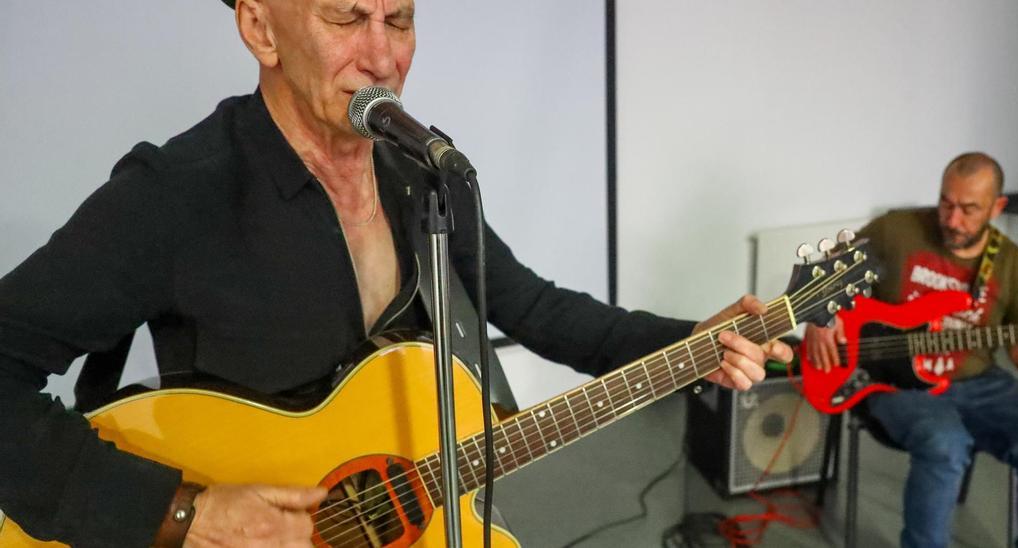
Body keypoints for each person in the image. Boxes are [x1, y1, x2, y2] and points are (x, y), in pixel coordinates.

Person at [0, 0, 792, 545]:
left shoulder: (418, 175)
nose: (382, 57)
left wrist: (691, 339)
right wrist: (179, 516)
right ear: (259, 27)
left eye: (400, 18)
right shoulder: (177, 194)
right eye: (345, 16)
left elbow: (531, 304)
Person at [805, 152, 1018, 548]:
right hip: (892, 380)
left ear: (997, 208)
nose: (953, 219)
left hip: (978, 381)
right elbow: (827, 271)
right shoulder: (897, 230)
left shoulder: (1013, 266)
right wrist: (821, 317)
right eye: (946, 203)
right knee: (946, 444)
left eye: (969, 209)